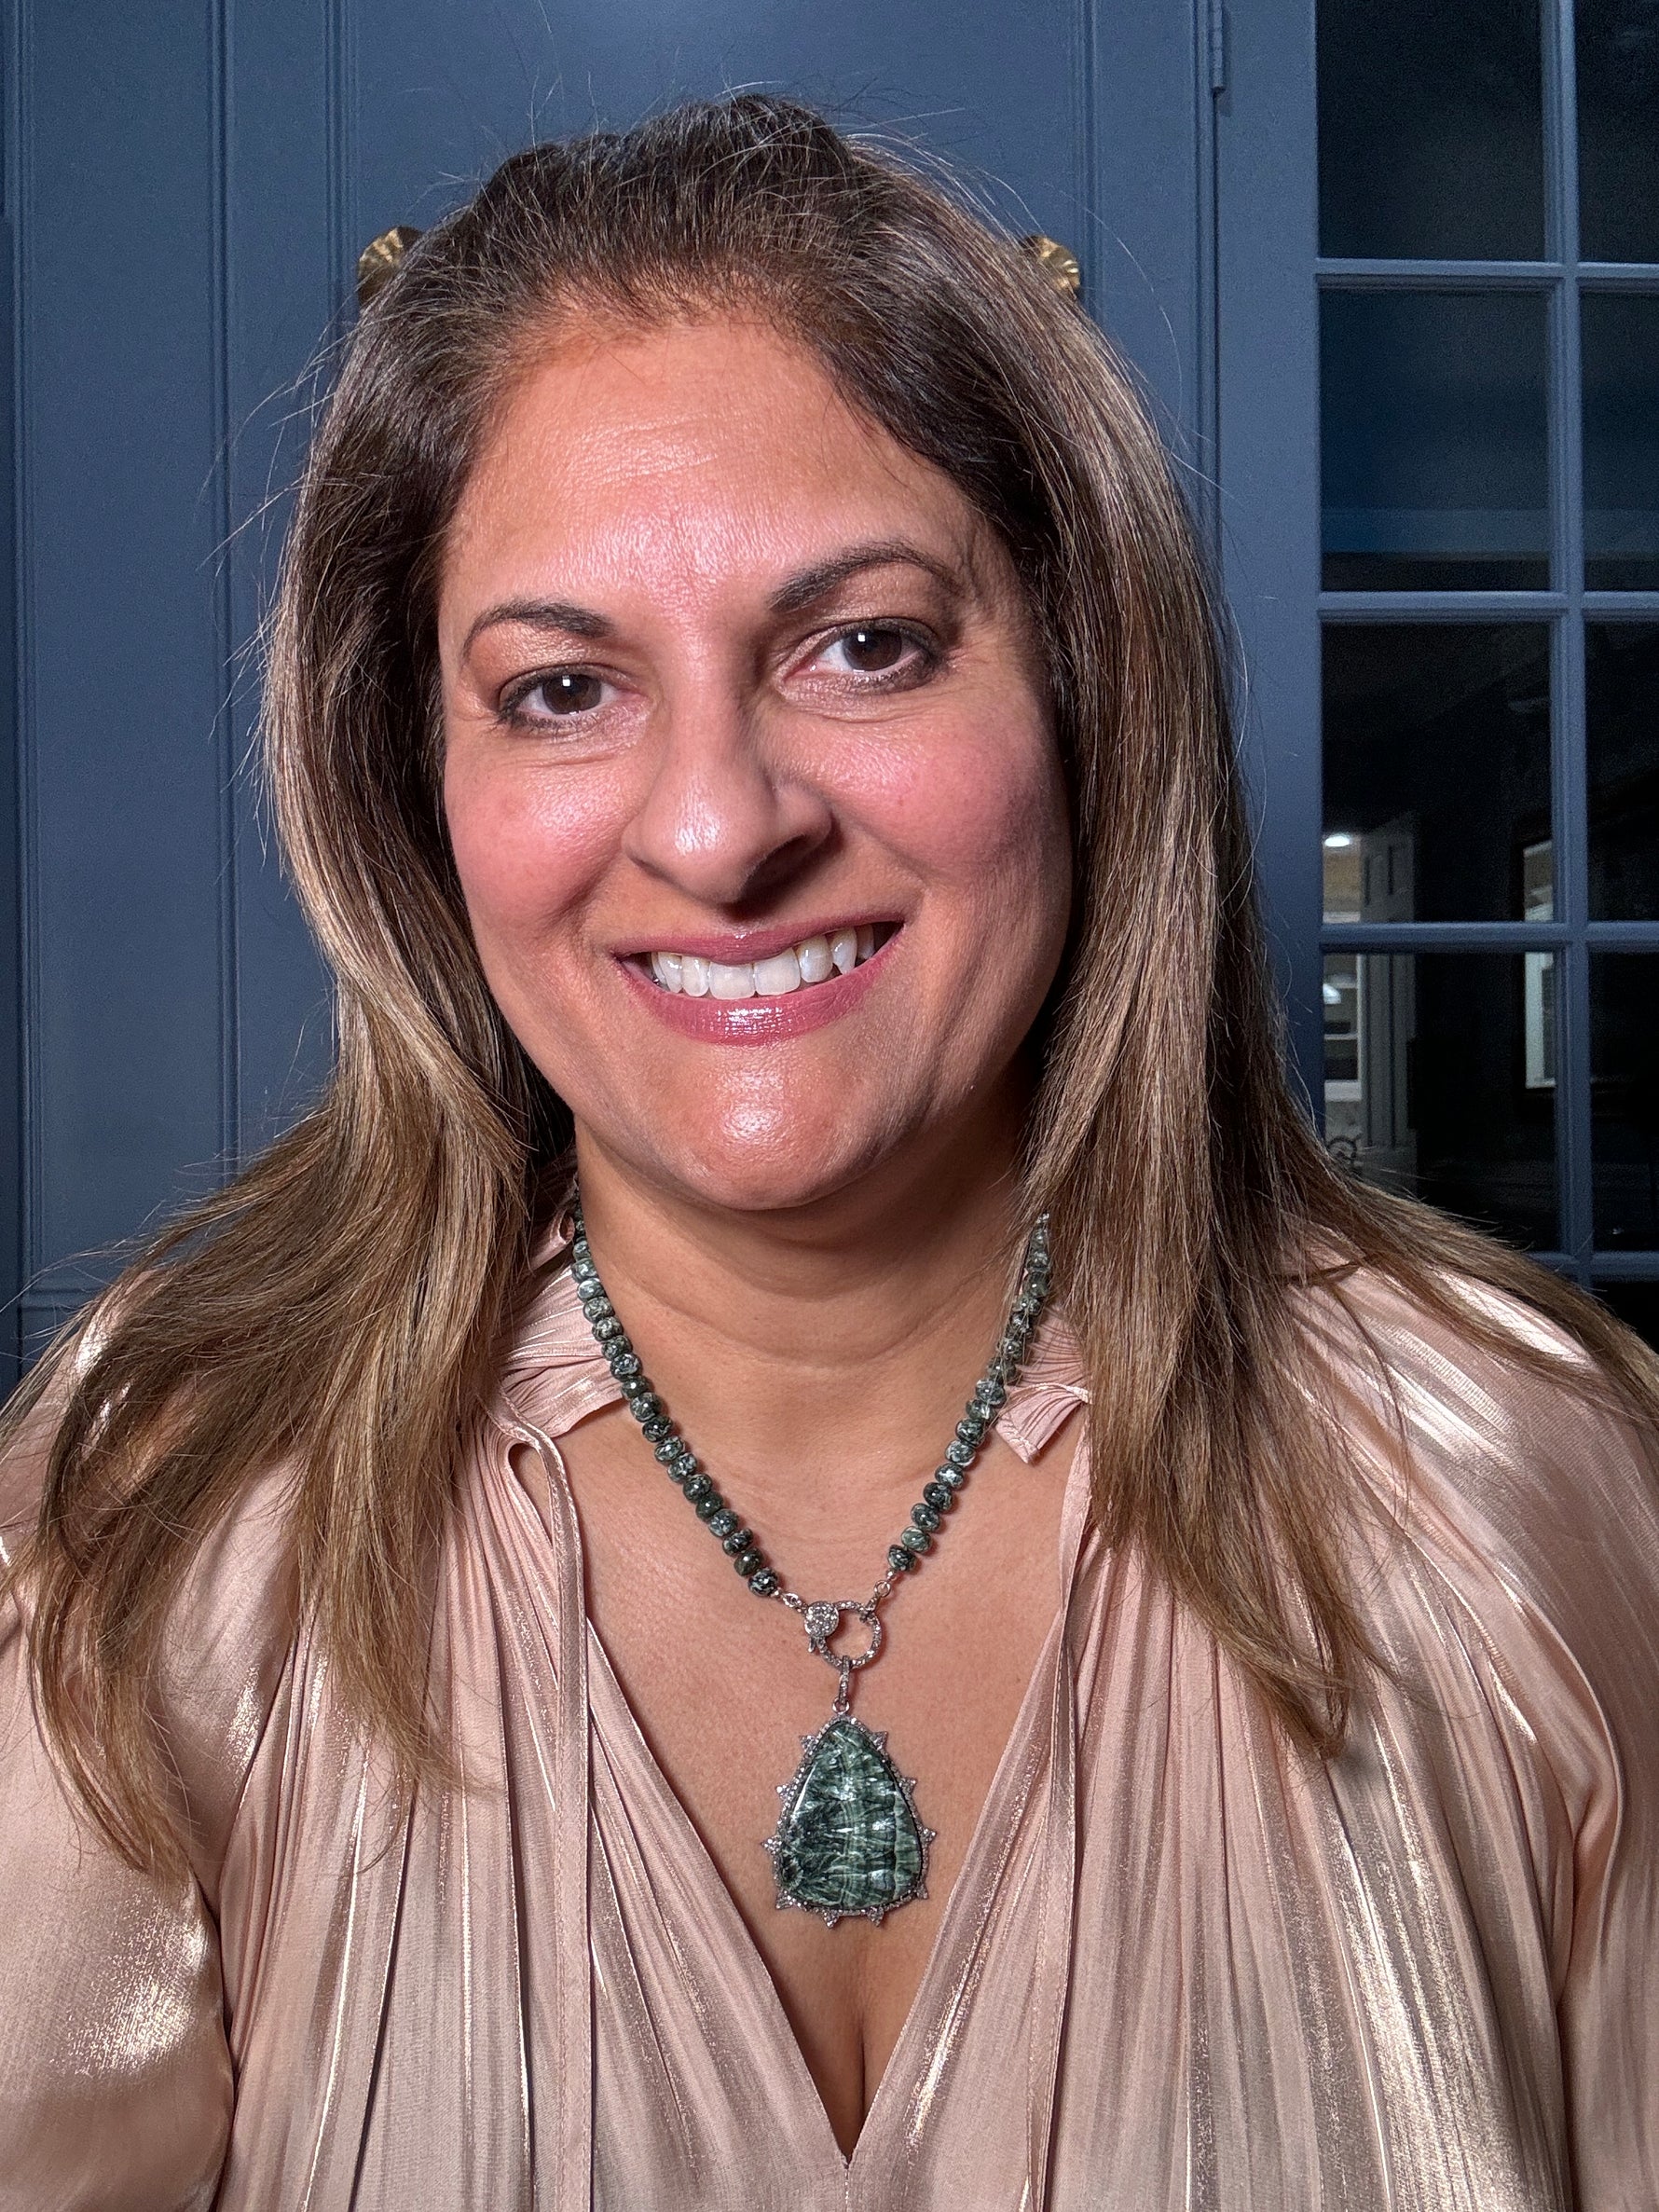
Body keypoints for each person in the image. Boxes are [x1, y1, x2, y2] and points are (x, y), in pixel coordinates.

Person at [2, 93, 1656, 2211]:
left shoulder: (1526, 1493)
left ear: (1085, 690)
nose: (714, 825)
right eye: (561, 685)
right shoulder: (167, 1506)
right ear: (413, 787)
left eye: (863, 643)